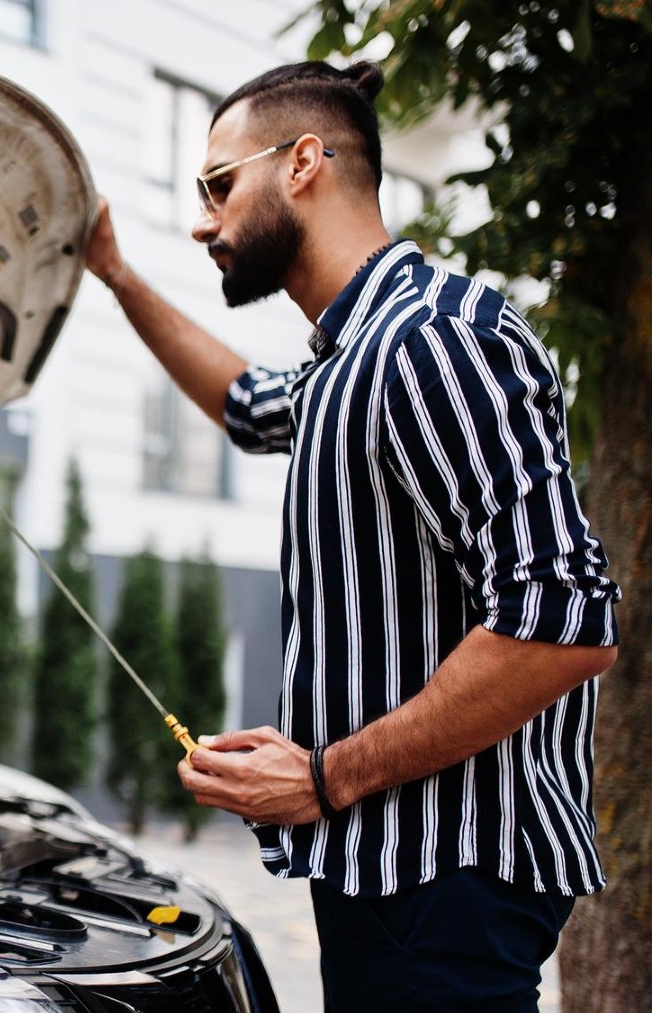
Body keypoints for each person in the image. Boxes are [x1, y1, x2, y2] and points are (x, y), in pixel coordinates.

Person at [83, 61, 620, 1011]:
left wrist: (325, 774)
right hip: (391, 879)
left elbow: (563, 624)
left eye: (217, 186)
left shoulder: (435, 341)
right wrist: (115, 274)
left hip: (447, 884)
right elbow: (249, 405)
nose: (204, 221)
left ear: (302, 164)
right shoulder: (347, 362)